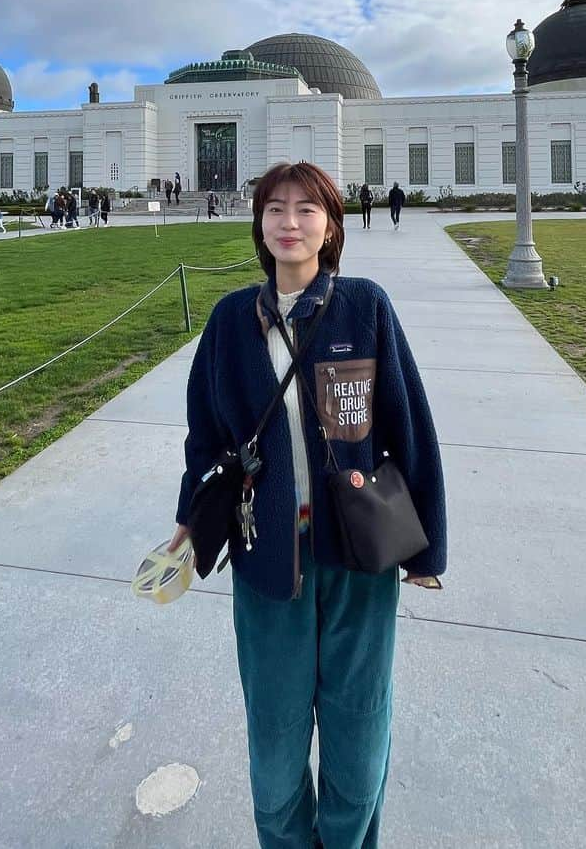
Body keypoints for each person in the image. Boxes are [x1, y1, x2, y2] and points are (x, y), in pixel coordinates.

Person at [168, 161, 446, 847]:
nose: (289, 223)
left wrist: (425, 550)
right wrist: (186, 523)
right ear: (259, 225)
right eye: (274, 210)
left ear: (331, 226)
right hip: (267, 560)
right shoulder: (233, 319)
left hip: (357, 558)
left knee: (358, 725)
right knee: (276, 733)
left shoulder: (364, 307)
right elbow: (205, 436)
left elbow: (408, 426)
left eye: (306, 210)